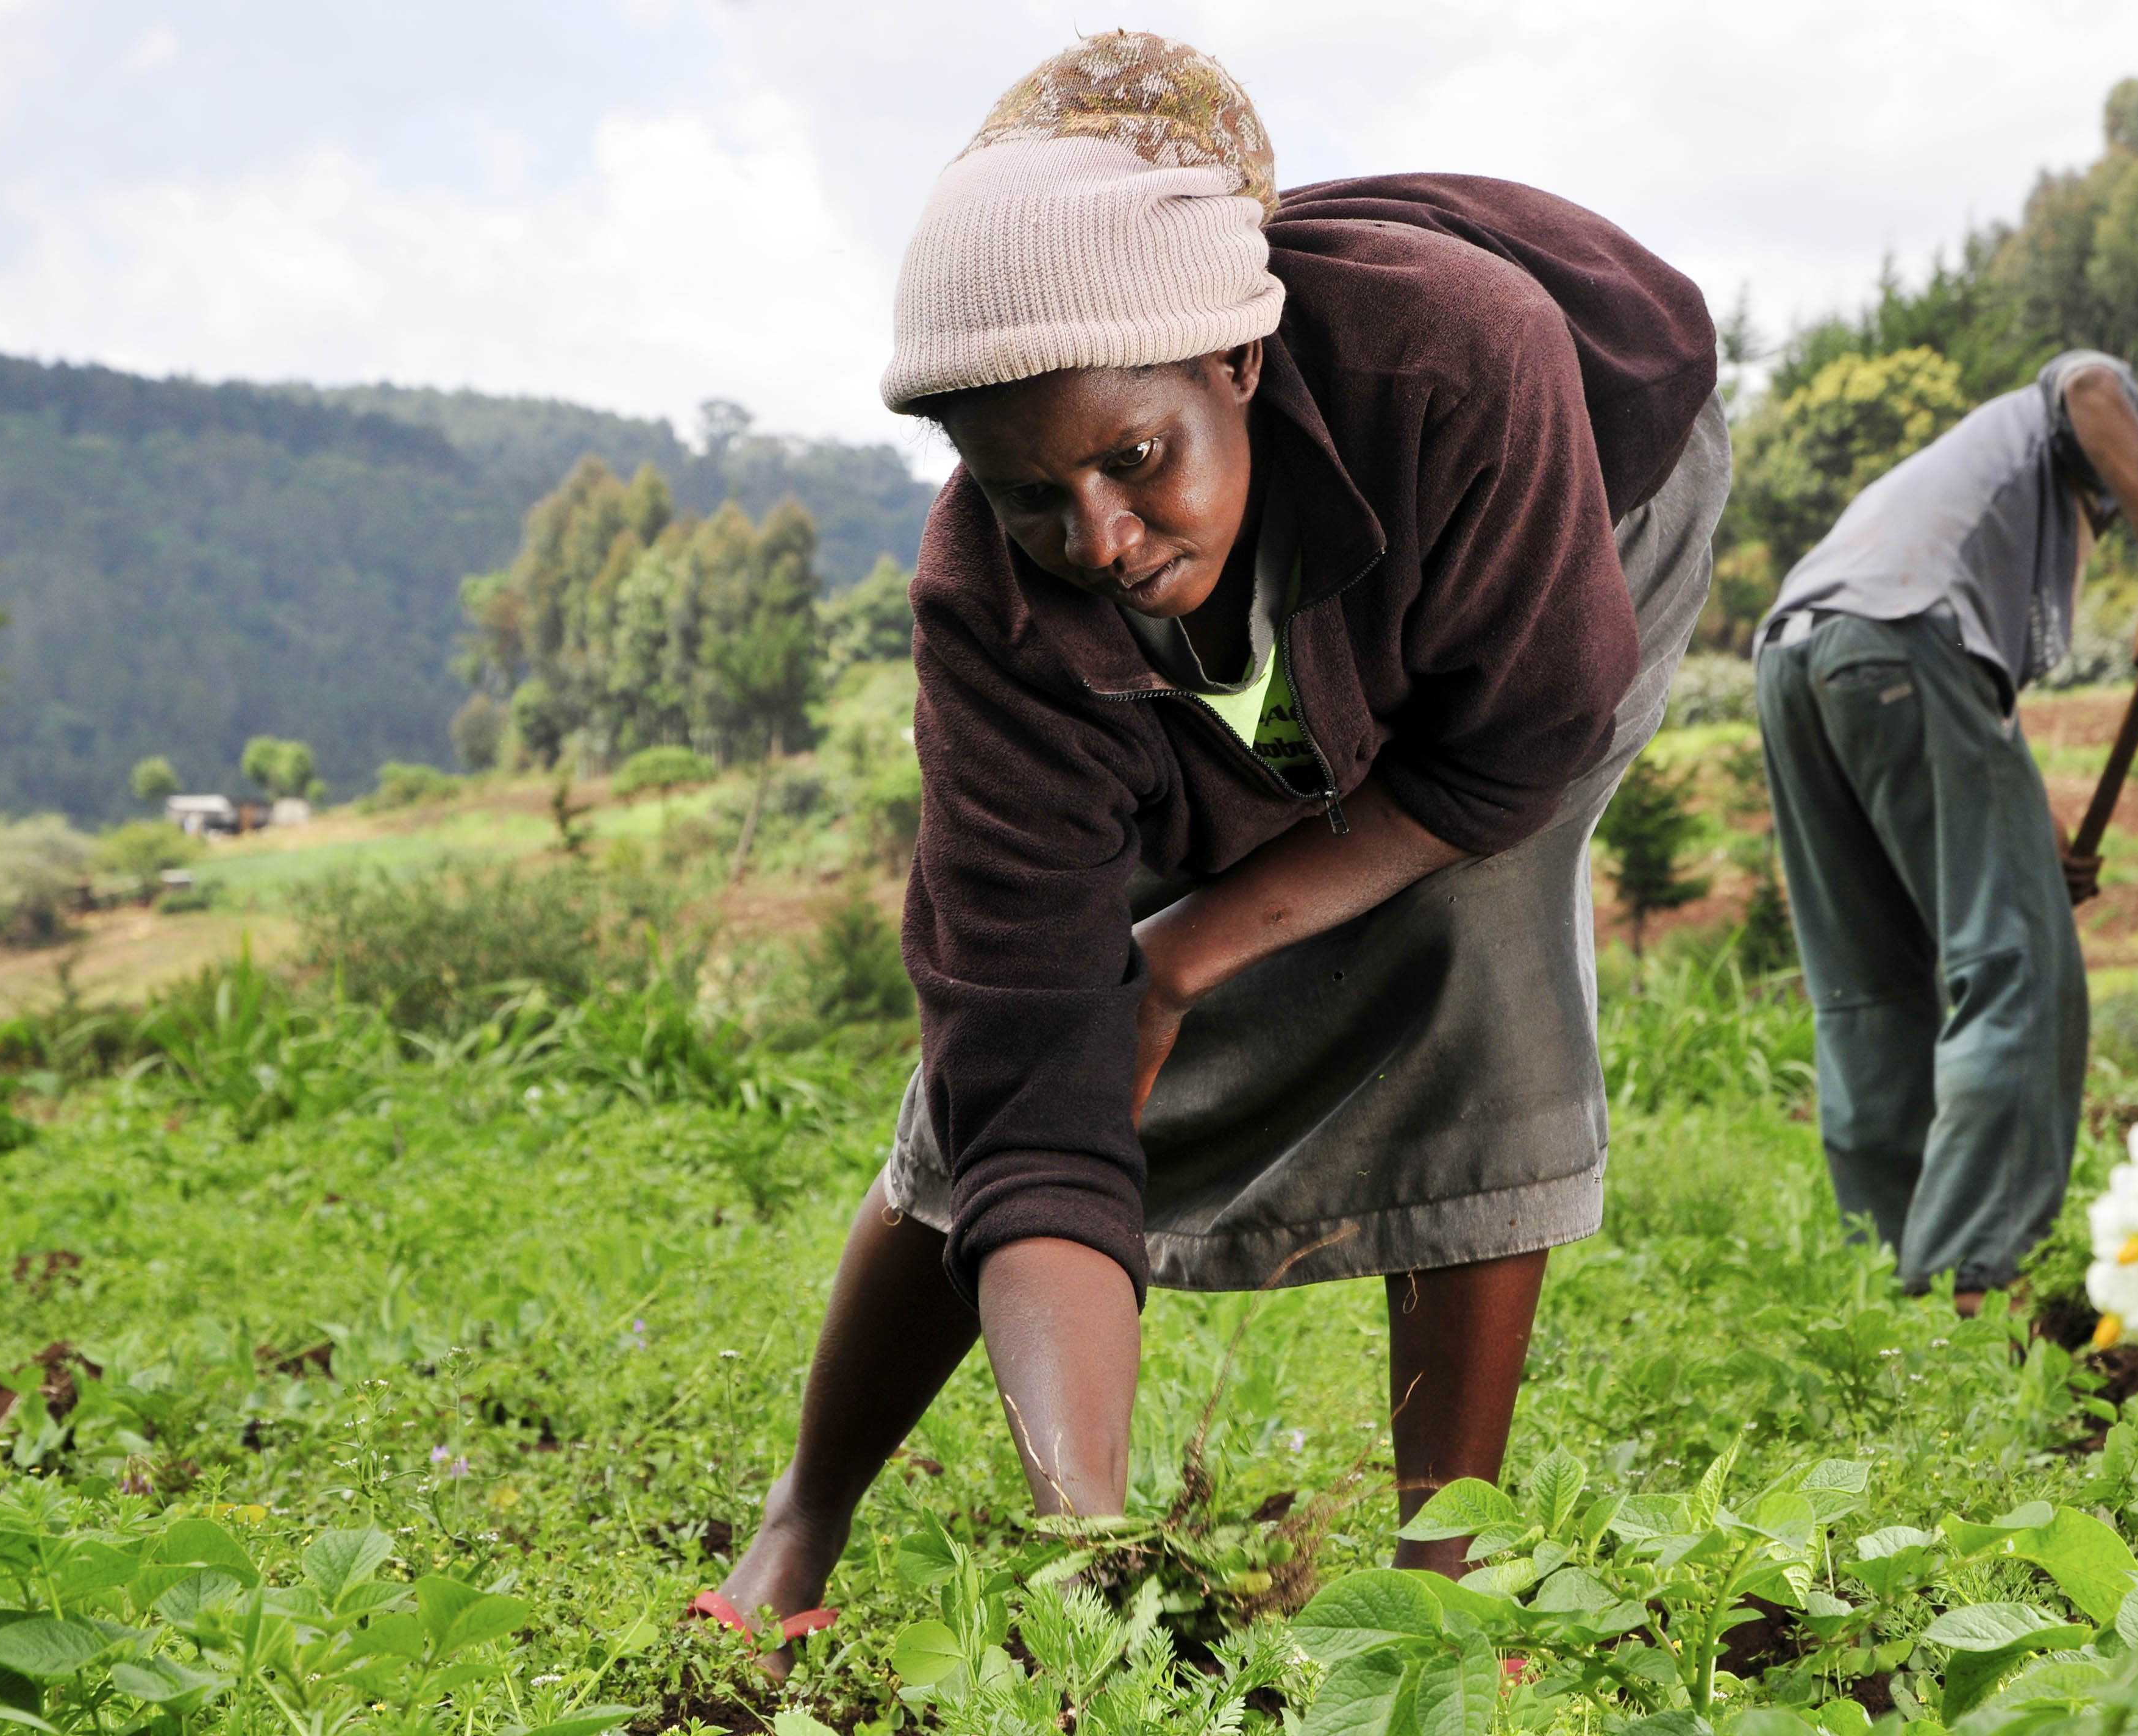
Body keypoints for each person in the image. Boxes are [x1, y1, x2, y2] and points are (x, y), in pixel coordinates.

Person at [688, 31, 1725, 1660]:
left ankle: (1428, 1606)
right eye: (1032, 495)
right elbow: (1028, 1068)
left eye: (1134, 460)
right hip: (1311, 565)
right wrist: (1095, 1539)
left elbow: (1511, 748)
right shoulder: (998, 604)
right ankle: (802, 1518)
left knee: (1471, 934)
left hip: (1584, 513)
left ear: (1235, 364)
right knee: (1025, 1049)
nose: (1097, 536)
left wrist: (1195, 947)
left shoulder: (1461, 359)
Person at [1751, 350, 2138, 1306]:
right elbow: (2092, 382)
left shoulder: (1961, 507)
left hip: (1800, 666)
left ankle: (1888, 1270)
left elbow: (1968, 723)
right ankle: (1970, 1276)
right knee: (2018, 966)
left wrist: (2039, 841)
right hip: (1899, 645)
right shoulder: (2065, 414)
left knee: (1868, 984)